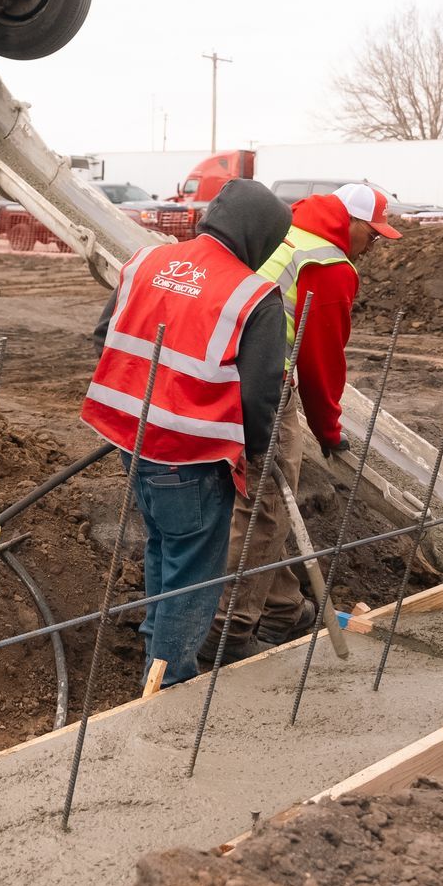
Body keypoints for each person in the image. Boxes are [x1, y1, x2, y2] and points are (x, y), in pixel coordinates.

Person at [83, 179, 291, 686]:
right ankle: (171, 679)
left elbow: (102, 336)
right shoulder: (254, 295)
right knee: (193, 573)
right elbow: (260, 393)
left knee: (164, 544)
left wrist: (148, 402)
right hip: (191, 455)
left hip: (129, 438)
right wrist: (256, 451)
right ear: (260, 237)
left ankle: (157, 644)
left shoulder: (145, 262)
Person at [212, 183, 400, 659]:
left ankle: (281, 607)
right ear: (351, 223)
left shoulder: (288, 230)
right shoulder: (329, 266)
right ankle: (228, 633)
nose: (373, 245)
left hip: (216, 370)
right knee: (266, 505)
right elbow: (321, 360)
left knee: (260, 505)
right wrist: (329, 431)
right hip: (264, 382)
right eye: (372, 234)